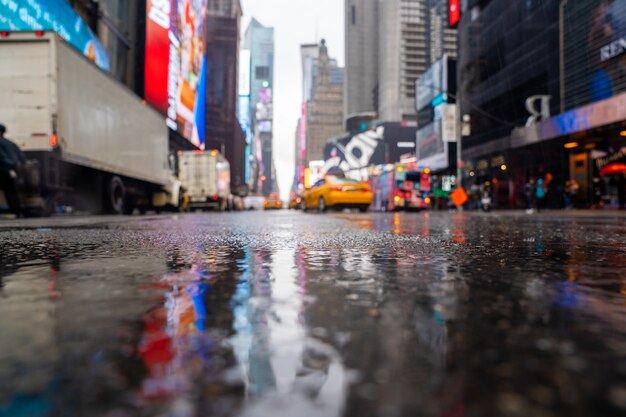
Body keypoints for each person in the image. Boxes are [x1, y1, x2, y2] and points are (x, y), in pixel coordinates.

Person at [0, 124, 26, 216]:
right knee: (11, 191)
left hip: (2, 168)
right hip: (10, 170)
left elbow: (1, 156)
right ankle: (17, 211)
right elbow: (22, 158)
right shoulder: (11, 143)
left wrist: (6, 162)